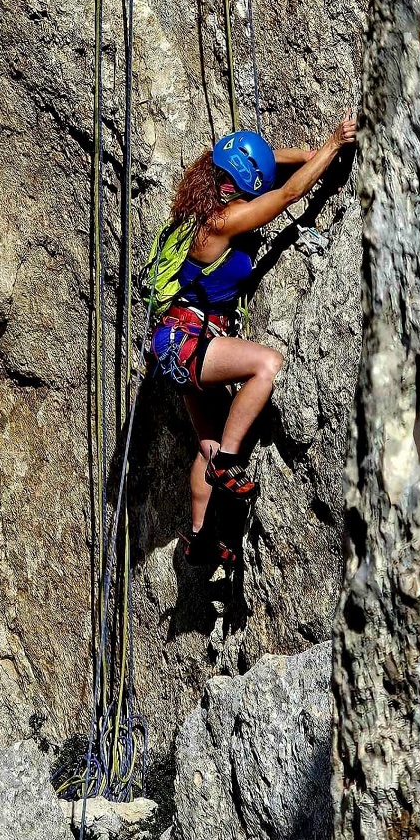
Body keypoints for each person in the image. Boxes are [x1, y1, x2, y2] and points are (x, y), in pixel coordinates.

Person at [149, 113, 357, 563]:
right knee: (268, 366)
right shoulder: (224, 222)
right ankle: (227, 464)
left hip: (172, 343)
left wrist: (309, 152)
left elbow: (268, 165)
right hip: (193, 339)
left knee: (205, 442)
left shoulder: (201, 199)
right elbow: (287, 192)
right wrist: (333, 146)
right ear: (238, 186)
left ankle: (200, 537)